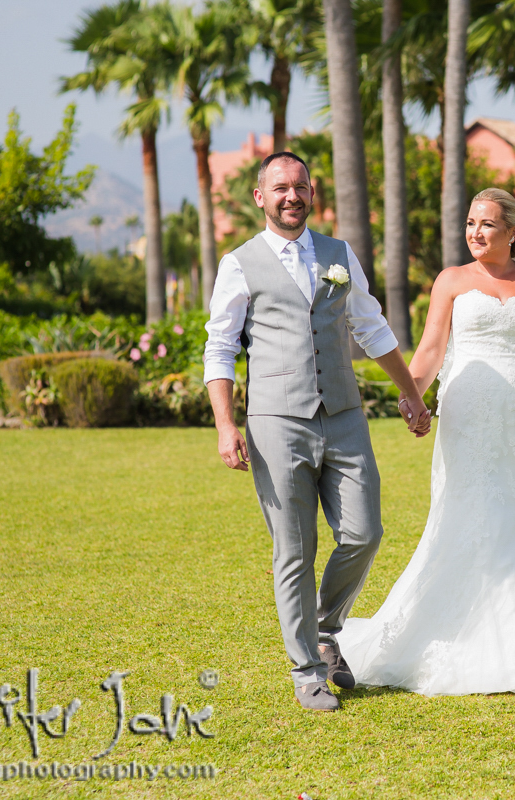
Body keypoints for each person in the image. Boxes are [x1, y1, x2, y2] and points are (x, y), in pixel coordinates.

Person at [337, 188, 515, 695]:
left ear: (513, 232)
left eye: (488, 224)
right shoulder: (451, 281)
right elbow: (432, 346)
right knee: (466, 505)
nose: (476, 232)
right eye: (471, 223)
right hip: (467, 410)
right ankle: (454, 627)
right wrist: (412, 395)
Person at [203, 152, 432, 712]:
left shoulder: (339, 254)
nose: (291, 196)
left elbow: (371, 326)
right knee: (294, 550)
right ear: (259, 197)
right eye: (280, 187)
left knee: (365, 532)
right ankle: (306, 670)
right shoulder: (239, 263)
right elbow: (220, 347)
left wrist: (410, 391)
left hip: (346, 415)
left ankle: (326, 631)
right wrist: (226, 423)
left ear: (312, 193)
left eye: (300, 186)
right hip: (276, 423)